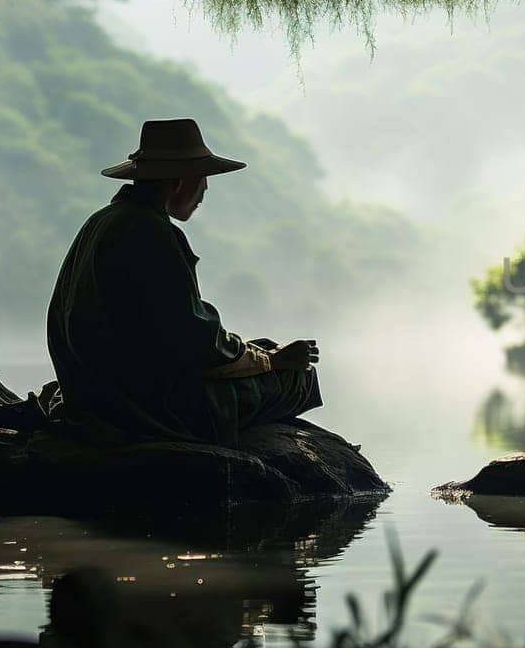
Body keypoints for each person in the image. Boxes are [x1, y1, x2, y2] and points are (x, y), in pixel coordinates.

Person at [46, 118, 322, 446]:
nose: (204, 191)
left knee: (261, 347)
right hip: (145, 409)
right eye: (202, 179)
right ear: (179, 182)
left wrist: (260, 355)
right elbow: (194, 343)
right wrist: (271, 361)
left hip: (92, 396)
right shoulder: (153, 231)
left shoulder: (101, 222)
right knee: (298, 377)